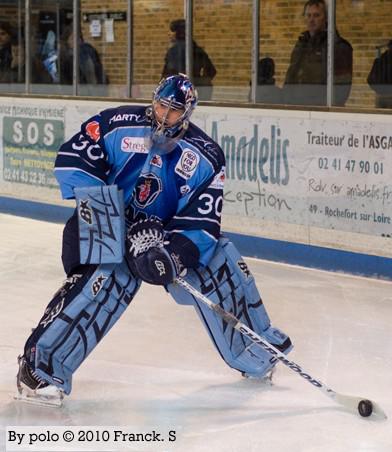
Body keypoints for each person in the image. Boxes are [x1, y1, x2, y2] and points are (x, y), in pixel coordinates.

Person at [15, 74, 292, 407]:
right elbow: (75, 163)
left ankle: (255, 351)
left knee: (219, 259)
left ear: (187, 113)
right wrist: (117, 223)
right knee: (109, 275)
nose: (164, 115)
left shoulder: (206, 157)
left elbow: (202, 223)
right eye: (161, 105)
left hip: (160, 235)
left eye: (173, 110)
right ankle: (39, 367)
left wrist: (172, 257)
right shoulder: (116, 124)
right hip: (103, 216)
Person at [283, 0, 353, 106]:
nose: (311, 20)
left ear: (326, 18)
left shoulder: (337, 46)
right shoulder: (301, 44)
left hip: (321, 110)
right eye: (308, 15)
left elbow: (341, 89)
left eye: (316, 15)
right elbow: (291, 76)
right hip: (296, 108)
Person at [162, 19, 216, 100]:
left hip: (178, 94)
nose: (169, 34)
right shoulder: (197, 49)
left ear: (178, 33)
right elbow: (211, 71)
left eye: (172, 31)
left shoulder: (175, 51)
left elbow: (168, 73)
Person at [367, 40, 392, 108]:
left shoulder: (379, 59)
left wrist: (379, 89)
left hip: (380, 96)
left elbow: (370, 79)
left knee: (379, 117)